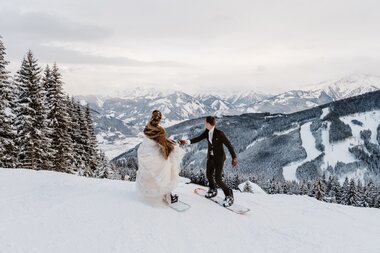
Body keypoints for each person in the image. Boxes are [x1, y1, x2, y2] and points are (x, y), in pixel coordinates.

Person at [179, 116, 238, 207]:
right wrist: (186, 142)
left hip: (219, 158)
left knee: (218, 179)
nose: (204, 124)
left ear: (209, 124)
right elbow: (197, 138)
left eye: (205, 122)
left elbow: (229, 145)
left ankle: (229, 194)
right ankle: (213, 189)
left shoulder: (219, 133)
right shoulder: (207, 132)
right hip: (211, 157)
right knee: (208, 175)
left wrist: (234, 157)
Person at [136, 110, 184, 205]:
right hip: (153, 154)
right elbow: (163, 146)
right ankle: (167, 196)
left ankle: (152, 191)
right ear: (160, 119)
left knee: (150, 174)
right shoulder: (160, 130)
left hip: (143, 152)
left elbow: (155, 139)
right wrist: (170, 152)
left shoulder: (147, 126)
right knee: (167, 170)